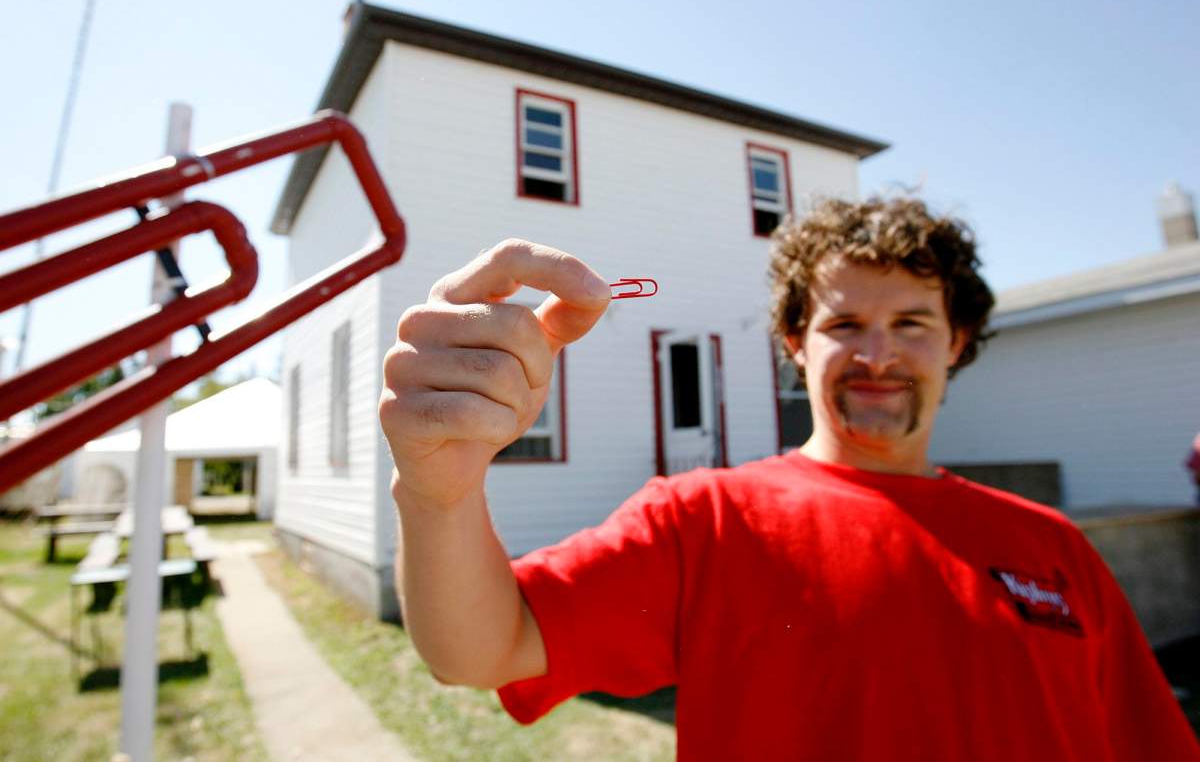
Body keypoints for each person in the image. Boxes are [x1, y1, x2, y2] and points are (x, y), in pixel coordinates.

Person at [378, 197, 1200, 760]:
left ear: (957, 341)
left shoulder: (1055, 547)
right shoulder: (704, 519)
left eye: (911, 323)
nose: (878, 354)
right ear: (795, 342)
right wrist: (438, 491)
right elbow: (484, 648)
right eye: (844, 324)